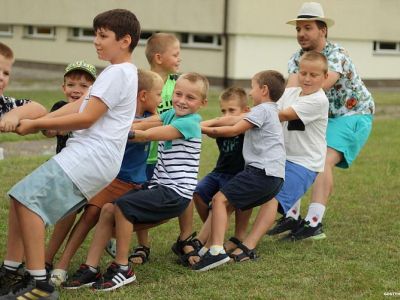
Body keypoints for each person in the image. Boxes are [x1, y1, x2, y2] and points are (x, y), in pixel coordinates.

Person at [0, 8, 141, 299]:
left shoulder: (118, 73)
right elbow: (75, 107)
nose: (96, 42)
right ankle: (10, 271)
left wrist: (36, 123)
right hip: (88, 155)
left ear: (125, 40)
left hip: (91, 156)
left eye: (103, 36)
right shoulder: (115, 73)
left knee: (28, 201)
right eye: (95, 35)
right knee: (19, 198)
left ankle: (39, 283)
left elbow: (87, 117)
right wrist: (47, 126)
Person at [62, 72, 208, 291]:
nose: (181, 100)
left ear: (202, 104)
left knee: (122, 206)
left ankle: (122, 268)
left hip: (175, 194)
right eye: (178, 94)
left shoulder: (190, 123)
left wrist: (117, 133)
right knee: (108, 209)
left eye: (190, 97)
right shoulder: (171, 114)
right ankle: (91, 268)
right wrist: (110, 123)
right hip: (159, 187)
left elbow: (148, 134)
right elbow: (143, 123)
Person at [269, 2, 375, 240]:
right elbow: (291, 93)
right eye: (298, 29)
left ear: (323, 30)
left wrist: (284, 111)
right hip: (318, 115)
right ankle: (292, 216)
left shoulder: (337, 55)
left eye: (307, 27)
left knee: (322, 160)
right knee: (293, 155)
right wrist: (270, 110)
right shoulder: (296, 58)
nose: (301, 34)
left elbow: (317, 88)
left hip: (353, 114)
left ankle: (314, 224)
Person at [47, 69, 163, 286]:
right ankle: (62, 265)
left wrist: (140, 124)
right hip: (111, 179)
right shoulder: (118, 116)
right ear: (144, 96)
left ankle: (91, 262)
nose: (161, 100)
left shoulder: (150, 117)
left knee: (107, 216)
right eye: (159, 94)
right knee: (90, 214)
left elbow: (163, 119)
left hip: (132, 183)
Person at [227, 51, 329, 262]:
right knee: (249, 190)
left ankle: (248, 246)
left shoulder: (319, 101)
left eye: (314, 75)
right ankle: (238, 237)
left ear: (325, 77)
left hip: (304, 162)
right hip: (279, 157)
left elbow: (279, 114)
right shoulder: (290, 93)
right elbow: (268, 106)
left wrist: (233, 120)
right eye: (303, 73)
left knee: (273, 200)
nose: (307, 79)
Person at [105, 32, 190, 265]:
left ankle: (186, 238)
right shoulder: (142, 81)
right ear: (159, 57)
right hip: (144, 154)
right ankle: (143, 246)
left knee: (181, 192)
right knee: (141, 195)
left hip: (168, 154)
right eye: (176, 54)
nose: (180, 59)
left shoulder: (177, 85)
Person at [192, 70, 286, 272]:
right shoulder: (271, 111)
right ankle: (206, 248)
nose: (251, 93)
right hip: (274, 177)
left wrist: (203, 130)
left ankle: (216, 251)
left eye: (253, 87)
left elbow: (234, 129)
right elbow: (230, 121)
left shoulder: (262, 110)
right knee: (223, 204)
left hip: (262, 172)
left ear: (264, 89)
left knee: (219, 200)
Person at [178, 87, 251, 266]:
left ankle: (237, 237)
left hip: (239, 174)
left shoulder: (246, 125)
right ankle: (213, 232)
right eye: (223, 111)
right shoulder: (220, 123)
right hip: (219, 171)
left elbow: (216, 130)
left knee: (233, 203)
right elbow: (211, 127)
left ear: (245, 111)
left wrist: (199, 126)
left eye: (231, 111)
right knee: (198, 192)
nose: (226, 115)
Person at [0, 42, 47, 132]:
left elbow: (40, 109)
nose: (1, 77)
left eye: (6, 73)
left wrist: (14, 115)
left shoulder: (3, 104)